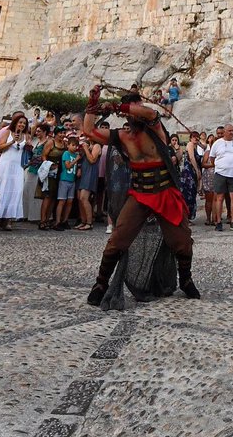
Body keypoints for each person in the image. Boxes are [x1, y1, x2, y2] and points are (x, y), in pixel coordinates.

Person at [81, 87, 197, 306]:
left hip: (165, 193)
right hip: (140, 195)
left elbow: (150, 113)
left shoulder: (155, 128)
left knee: (181, 242)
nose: (137, 112)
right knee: (117, 240)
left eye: (137, 107)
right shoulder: (122, 136)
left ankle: (186, 279)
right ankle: (101, 283)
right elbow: (88, 131)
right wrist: (92, 103)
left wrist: (118, 106)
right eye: (132, 109)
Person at [0, 114, 29, 230]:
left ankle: (8, 217)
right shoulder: (8, 132)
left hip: (18, 165)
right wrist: (12, 141)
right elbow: (0, 148)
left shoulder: (26, 135)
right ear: (15, 123)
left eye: (24, 123)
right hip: (6, 164)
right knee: (2, 189)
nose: (22, 125)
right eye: (20, 122)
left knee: (16, 190)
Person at [206, 123, 233, 232]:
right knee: (219, 198)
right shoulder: (217, 143)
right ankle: (218, 221)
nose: (232, 132)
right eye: (229, 131)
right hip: (220, 173)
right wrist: (220, 166)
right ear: (225, 132)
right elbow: (212, 158)